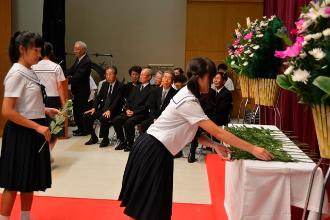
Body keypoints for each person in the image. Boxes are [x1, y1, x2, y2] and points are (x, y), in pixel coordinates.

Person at [118, 57, 273, 220]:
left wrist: (215, 145)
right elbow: (218, 131)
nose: (212, 83)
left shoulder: (189, 95)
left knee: (153, 207)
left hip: (157, 149)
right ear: (199, 77)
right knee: (145, 207)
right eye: (210, 78)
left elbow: (194, 132)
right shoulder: (188, 100)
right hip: (153, 151)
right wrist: (253, 149)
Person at [0, 31, 59, 220]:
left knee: (29, 180)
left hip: (34, 128)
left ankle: (25, 217)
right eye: (35, 50)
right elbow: (7, 111)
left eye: (40, 50)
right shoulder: (16, 73)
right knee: (14, 182)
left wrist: (45, 110)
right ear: (21, 49)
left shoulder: (30, 70)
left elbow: (27, 103)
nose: (39, 54)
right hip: (21, 132)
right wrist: (36, 127)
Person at [188, 71, 233, 163]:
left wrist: (209, 119)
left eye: (218, 79)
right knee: (196, 127)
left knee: (201, 127)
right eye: (214, 78)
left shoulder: (226, 93)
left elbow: (222, 110)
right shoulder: (212, 92)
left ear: (223, 81)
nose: (215, 80)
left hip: (220, 119)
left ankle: (216, 152)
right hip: (211, 117)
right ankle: (192, 152)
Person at [113, 68, 153, 152]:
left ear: (149, 77)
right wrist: (127, 109)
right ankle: (122, 141)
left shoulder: (152, 89)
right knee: (116, 120)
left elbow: (147, 105)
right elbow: (128, 100)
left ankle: (130, 143)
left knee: (129, 122)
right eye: (141, 75)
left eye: (143, 75)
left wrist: (134, 112)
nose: (141, 77)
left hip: (142, 114)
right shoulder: (136, 87)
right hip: (130, 112)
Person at [83, 66, 124, 147]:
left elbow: (117, 100)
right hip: (103, 110)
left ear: (115, 74)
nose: (108, 76)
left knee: (103, 118)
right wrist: (94, 108)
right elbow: (98, 97)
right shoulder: (105, 84)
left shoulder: (120, 86)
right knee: (86, 116)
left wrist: (110, 110)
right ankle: (93, 137)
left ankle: (105, 139)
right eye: (106, 74)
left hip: (115, 111)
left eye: (110, 74)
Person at [65, 41, 91, 136]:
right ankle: (80, 128)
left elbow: (78, 76)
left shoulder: (87, 61)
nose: (74, 51)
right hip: (77, 90)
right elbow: (72, 70)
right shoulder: (79, 59)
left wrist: (67, 80)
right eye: (74, 48)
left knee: (81, 110)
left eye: (77, 49)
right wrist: (61, 73)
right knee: (76, 109)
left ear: (83, 50)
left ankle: (84, 130)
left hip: (83, 90)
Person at [32, 42, 66, 109]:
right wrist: (64, 104)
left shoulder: (33, 67)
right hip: (54, 99)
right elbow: (59, 86)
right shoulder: (56, 67)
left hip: (38, 98)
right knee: (54, 119)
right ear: (51, 52)